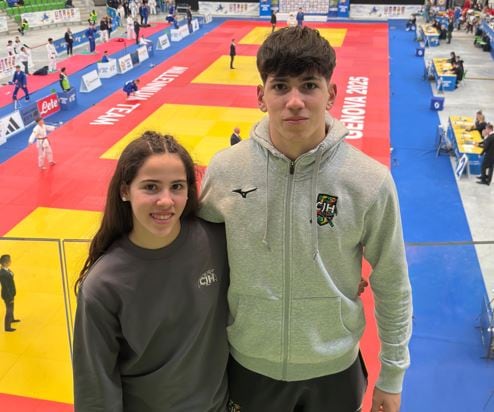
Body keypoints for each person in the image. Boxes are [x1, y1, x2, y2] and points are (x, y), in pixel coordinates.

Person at [199, 27, 412, 412]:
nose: (294, 101)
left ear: (331, 94)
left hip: (335, 370)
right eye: (280, 86)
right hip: (248, 364)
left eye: (309, 85)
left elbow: (393, 282)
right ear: (261, 96)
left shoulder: (369, 180)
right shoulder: (226, 170)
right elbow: (199, 267)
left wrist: (392, 374)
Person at [72, 132, 229, 411]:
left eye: (177, 187)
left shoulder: (215, 242)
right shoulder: (103, 285)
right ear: (124, 191)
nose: (166, 201)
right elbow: (95, 388)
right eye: (151, 187)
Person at [0, 255, 19, 333]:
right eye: (9, 261)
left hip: (10, 292)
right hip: (7, 294)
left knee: (11, 307)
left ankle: (11, 319)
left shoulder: (7, 270)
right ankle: (7, 327)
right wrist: (10, 296)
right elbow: (6, 286)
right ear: (5, 263)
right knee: (9, 309)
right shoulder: (3, 274)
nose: (10, 261)